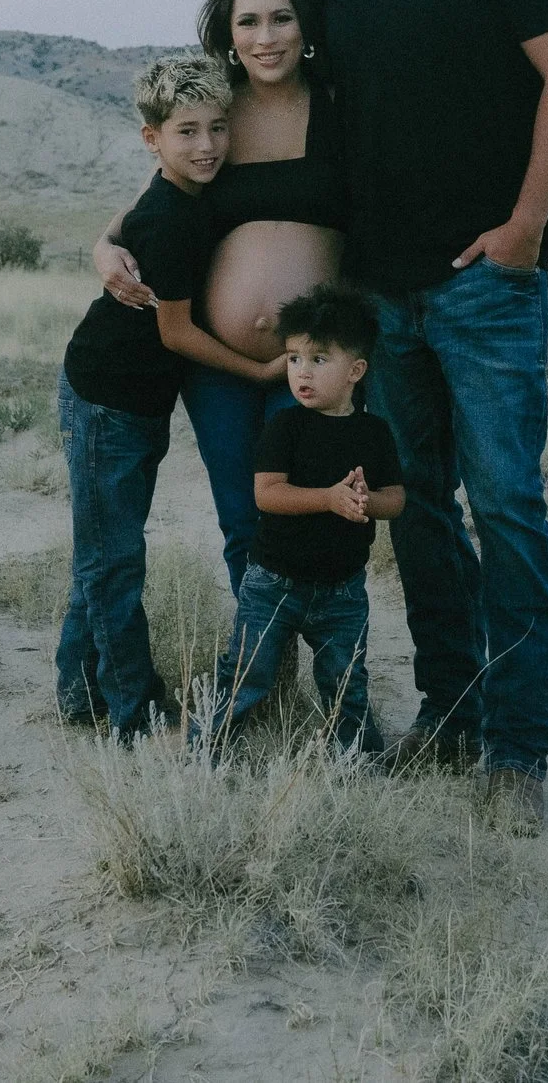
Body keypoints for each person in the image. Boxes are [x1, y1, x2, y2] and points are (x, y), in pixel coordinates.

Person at [302, 0, 548, 823]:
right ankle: (453, 708)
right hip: (380, 292)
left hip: (483, 285)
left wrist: (524, 228)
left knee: (508, 506)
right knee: (417, 509)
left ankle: (518, 749)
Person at [93, 0, 348, 593]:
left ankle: (333, 675)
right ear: (228, 36)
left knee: (317, 514)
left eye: (281, 17)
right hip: (217, 368)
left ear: (304, 26)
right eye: (249, 22)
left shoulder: (341, 105)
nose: (267, 36)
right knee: (243, 519)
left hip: (310, 360)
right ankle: (262, 677)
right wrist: (103, 248)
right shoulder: (215, 115)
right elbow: (150, 205)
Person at [55, 54, 283, 739]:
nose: (207, 145)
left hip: (141, 404)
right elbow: (178, 333)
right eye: (187, 131)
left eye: (218, 127)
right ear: (153, 138)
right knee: (113, 559)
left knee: (101, 549)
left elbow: (120, 225)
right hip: (106, 402)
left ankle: (77, 691)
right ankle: (137, 710)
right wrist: (261, 370)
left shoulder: (183, 194)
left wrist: (103, 241)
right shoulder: (171, 217)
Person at [205, 284, 403, 752]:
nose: (301, 373)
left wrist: (363, 501)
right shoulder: (286, 426)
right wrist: (328, 499)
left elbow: (396, 499)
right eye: (293, 359)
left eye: (318, 359)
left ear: (356, 370)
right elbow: (267, 495)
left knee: (347, 681)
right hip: (274, 581)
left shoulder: (374, 433)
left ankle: (358, 762)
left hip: (343, 591)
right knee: (248, 672)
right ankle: (205, 747)